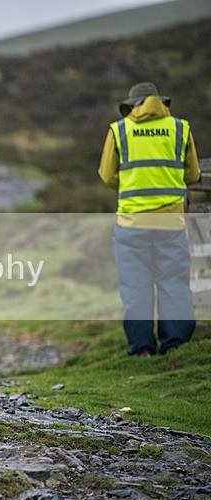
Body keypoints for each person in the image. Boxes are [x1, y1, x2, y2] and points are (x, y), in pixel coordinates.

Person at [98, 82, 201, 356]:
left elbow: (108, 176)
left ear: (132, 106)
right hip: (171, 223)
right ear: (161, 103)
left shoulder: (119, 130)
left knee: (136, 285)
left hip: (132, 224)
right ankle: (175, 345)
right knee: (173, 282)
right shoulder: (181, 128)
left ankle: (142, 349)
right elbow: (193, 175)